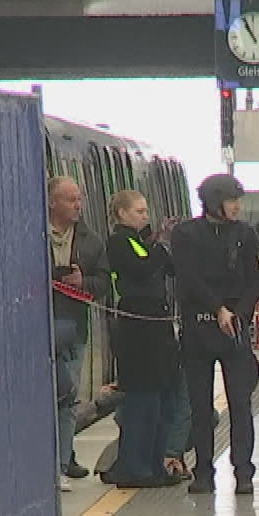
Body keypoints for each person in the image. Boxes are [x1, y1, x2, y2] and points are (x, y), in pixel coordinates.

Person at [170, 173, 259, 495]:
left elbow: (255, 279)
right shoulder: (186, 235)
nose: (237, 206)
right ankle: (203, 471)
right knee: (200, 405)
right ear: (213, 203)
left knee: (240, 402)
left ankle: (244, 471)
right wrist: (217, 308)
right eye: (231, 200)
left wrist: (238, 313)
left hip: (234, 329)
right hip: (199, 327)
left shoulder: (245, 235)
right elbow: (187, 277)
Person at [102, 188, 184, 488]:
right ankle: (135, 468)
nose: (145, 216)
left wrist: (165, 242)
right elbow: (141, 268)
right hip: (137, 328)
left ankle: (154, 464)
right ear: (122, 214)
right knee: (143, 401)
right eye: (139, 212)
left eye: (146, 211)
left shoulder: (140, 241)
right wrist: (161, 246)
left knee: (163, 399)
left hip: (158, 326)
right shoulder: (118, 243)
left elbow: (165, 268)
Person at [48, 175, 110, 489]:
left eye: (80, 199)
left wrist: (82, 283)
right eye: (71, 199)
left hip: (73, 331)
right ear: (51, 202)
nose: (78, 206)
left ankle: (60, 462)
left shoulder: (90, 240)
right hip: (36, 330)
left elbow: (104, 285)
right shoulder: (28, 235)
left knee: (68, 396)